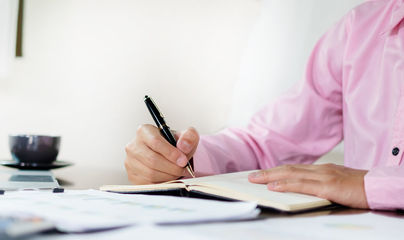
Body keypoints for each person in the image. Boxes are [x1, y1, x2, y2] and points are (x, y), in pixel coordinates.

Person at [124, 0, 404, 211]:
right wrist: (181, 158)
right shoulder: (360, 29)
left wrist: (371, 186)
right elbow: (267, 144)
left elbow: (365, 186)